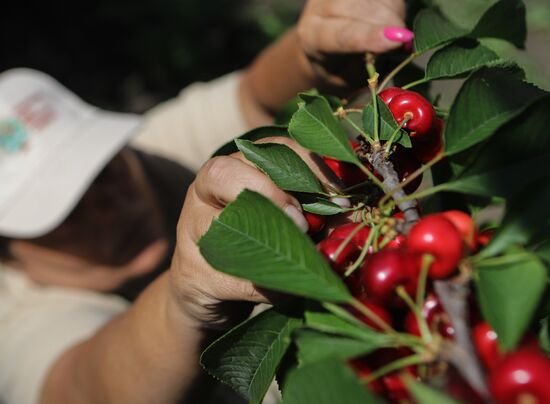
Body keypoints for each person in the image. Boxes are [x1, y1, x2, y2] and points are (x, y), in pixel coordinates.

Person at [0, 1, 411, 403]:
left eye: (102, 170)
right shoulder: (18, 325)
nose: (109, 207)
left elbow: (254, 92)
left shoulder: (149, 157)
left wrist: (316, 46)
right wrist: (187, 297)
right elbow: (81, 388)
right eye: (66, 211)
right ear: (11, 254)